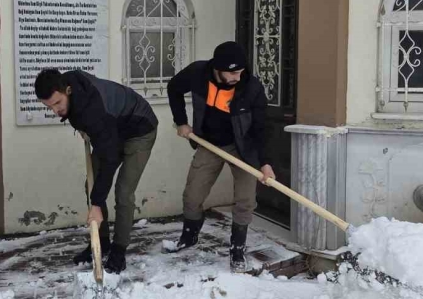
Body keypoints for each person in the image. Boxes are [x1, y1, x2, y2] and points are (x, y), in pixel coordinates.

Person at [35, 68, 158, 273]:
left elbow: (110, 159)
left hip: (140, 130)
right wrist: (84, 129)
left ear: (68, 90)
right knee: (91, 185)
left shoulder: (94, 113)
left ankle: (119, 250)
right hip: (113, 128)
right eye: (49, 107)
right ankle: (101, 242)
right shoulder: (72, 82)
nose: (55, 111)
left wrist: (97, 204)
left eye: (57, 103)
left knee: (123, 191)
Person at [166, 41, 275, 272]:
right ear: (218, 68)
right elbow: (174, 87)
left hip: (244, 149)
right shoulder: (198, 73)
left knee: (245, 200)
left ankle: (237, 249)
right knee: (192, 195)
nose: (237, 77)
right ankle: (190, 235)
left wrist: (265, 162)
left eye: (240, 71)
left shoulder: (251, 87)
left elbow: (262, 127)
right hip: (209, 143)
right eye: (232, 73)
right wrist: (181, 121)